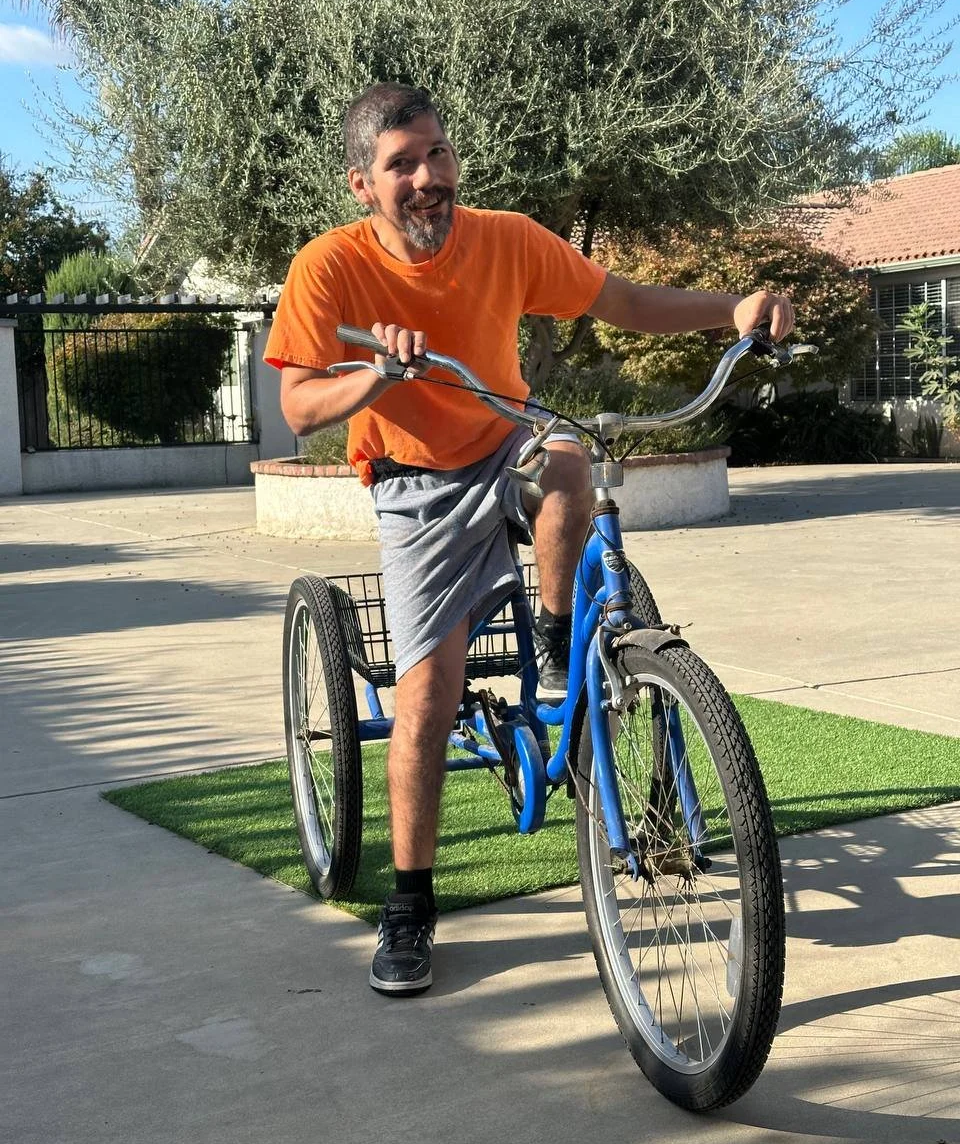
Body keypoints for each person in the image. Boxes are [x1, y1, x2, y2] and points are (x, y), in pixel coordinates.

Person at [265, 81, 793, 996]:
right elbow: (300, 402)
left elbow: (622, 300)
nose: (428, 178)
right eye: (402, 164)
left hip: (502, 435)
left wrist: (733, 309)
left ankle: (557, 651)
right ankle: (411, 905)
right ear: (362, 183)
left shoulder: (504, 237)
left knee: (568, 455)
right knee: (427, 700)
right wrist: (377, 379)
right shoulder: (328, 268)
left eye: (437, 153)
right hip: (415, 482)